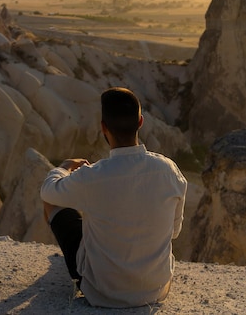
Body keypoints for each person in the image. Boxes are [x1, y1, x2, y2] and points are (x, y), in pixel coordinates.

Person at [40, 86, 187, 308]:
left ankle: (80, 265)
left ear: (103, 128)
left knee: (54, 201)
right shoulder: (168, 170)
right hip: (155, 288)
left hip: (101, 291)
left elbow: (47, 190)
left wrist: (65, 166)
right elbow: (174, 232)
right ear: (140, 123)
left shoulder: (92, 176)